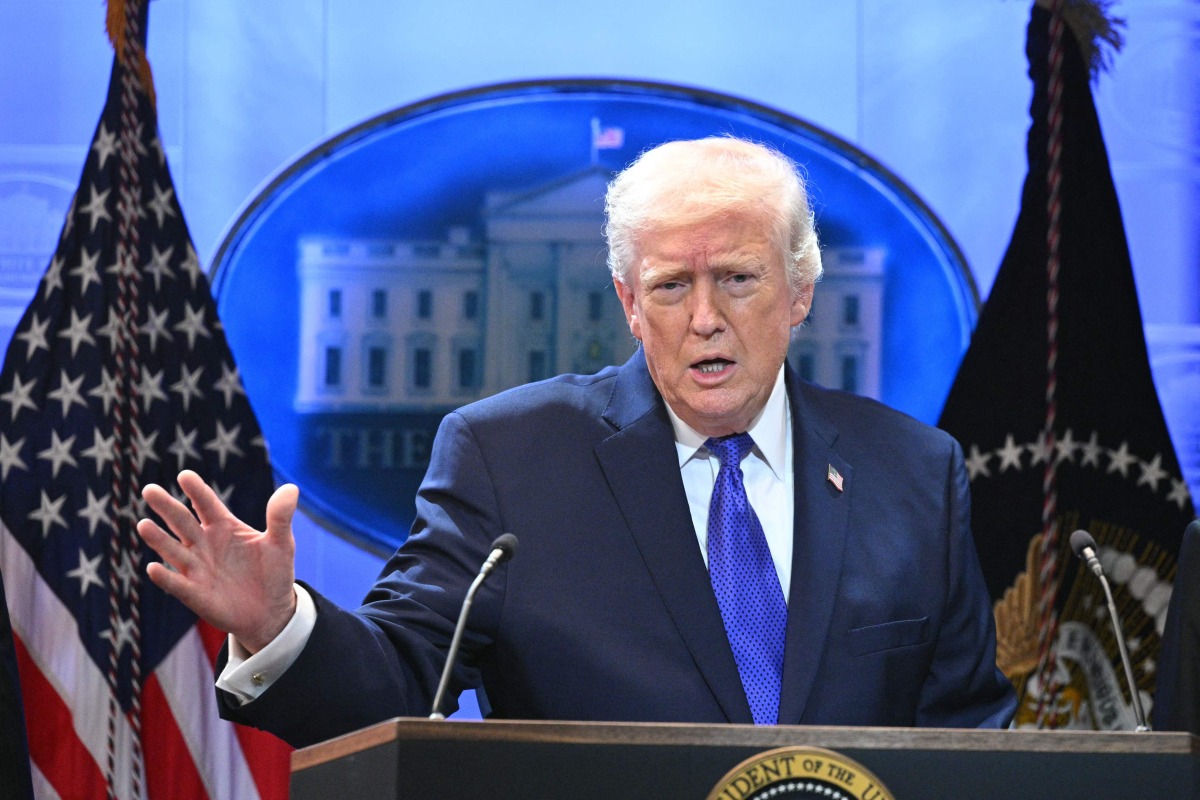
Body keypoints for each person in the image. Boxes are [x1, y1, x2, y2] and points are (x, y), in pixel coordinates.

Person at [138, 136, 1016, 749]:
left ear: (799, 292)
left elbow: (969, 735)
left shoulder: (915, 471)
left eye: (738, 280)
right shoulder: (509, 459)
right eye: (671, 286)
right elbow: (401, 676)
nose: (705, 318)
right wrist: (277, 627)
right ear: (631, 305)